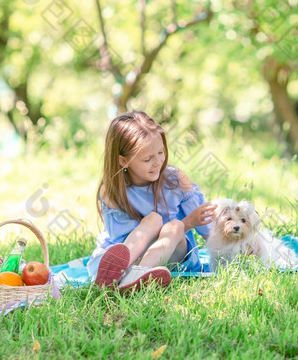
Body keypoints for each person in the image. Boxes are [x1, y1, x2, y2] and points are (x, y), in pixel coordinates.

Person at [86, 111, 216, 292]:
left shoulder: (175, 180)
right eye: (148, 159)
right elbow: (121, 240)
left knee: (176, 226)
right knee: (154, 219)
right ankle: (129, 276)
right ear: (124, 161)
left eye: (161, 152)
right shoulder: (112, 190)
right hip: (130, 256)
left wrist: (190, 223)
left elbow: (211, 232)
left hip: (171, 254)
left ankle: (136, 276)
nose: (158, 163)